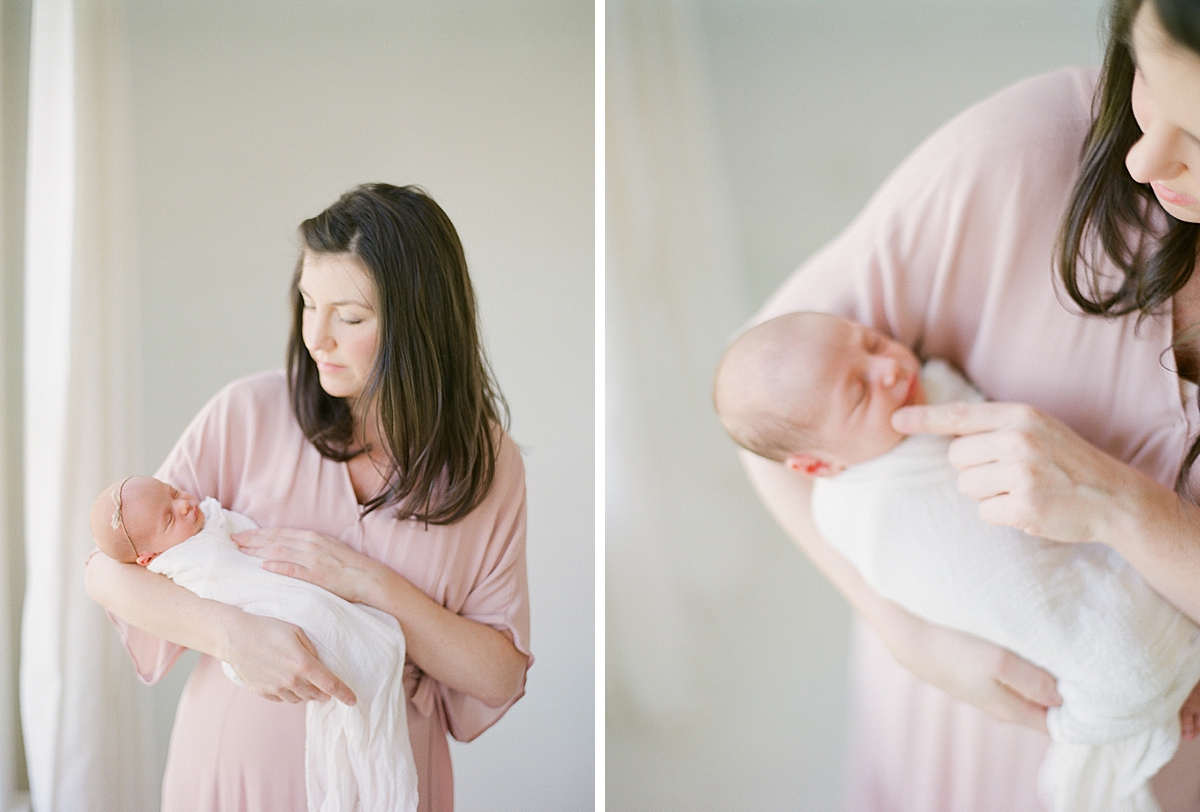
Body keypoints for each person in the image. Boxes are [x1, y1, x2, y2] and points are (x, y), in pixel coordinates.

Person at [735, 1, 1200, 808]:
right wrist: (908, 634)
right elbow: (766, 415)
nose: (1143, 159)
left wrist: (1125, 507)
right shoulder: (1023, 155)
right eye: (1147, 83)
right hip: (957, 733)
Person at [84, 183, 531, 812]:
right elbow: (107, 571)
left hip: (384, 787)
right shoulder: (247, 413)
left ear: (421, 324)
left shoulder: (487, 465)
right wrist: (232, 633)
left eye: (349, 317)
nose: (316, 336)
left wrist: (370, 583)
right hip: (228, 782)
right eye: (307, 304)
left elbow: (500, 673)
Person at [715, 311, 1200, 811]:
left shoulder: (931, 391)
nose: (890, 370)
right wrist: (906, 633)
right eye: (860, 393)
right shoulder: (861, 515)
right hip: (984, 691)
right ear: (820, 465)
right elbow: (985, 582)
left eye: (874, 342)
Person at [88, 475, 418, 812]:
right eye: (170, 518)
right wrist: (232, 632)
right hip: (224, 763)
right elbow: (101, 573)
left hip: (303, 605)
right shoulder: (179, 562)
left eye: (174, 493)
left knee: (365, 642)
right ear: (148, 559)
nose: (185, 504)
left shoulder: (205, 517)